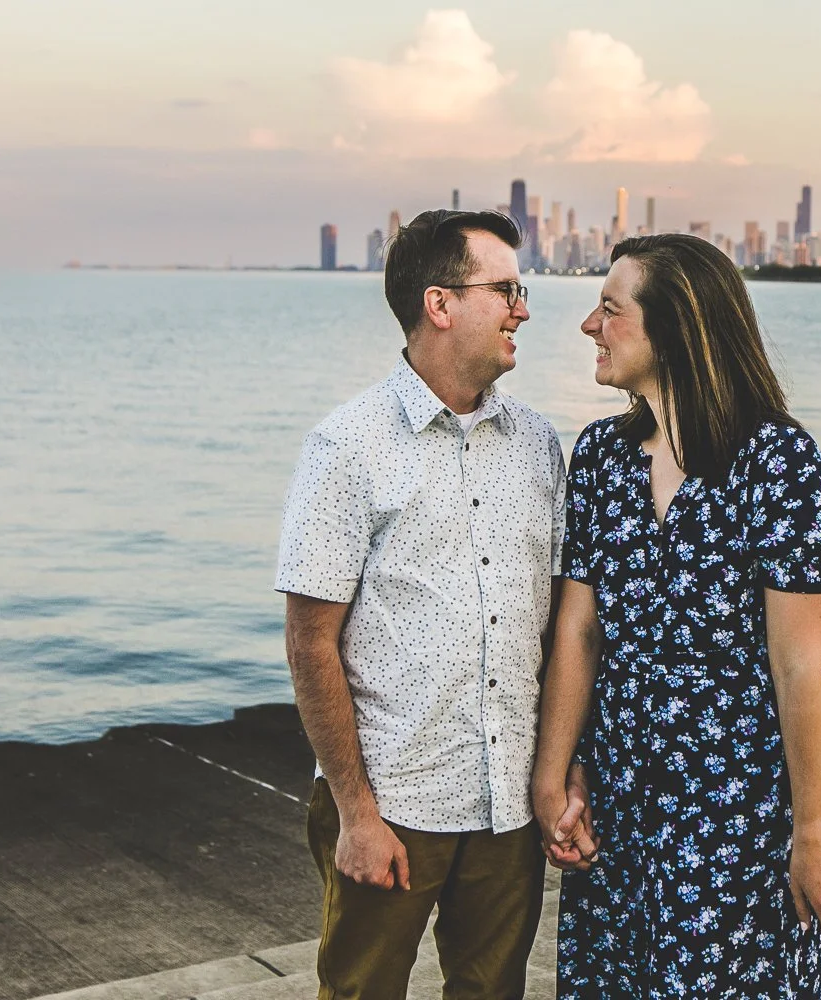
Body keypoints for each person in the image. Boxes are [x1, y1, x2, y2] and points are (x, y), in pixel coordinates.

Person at [532, 233, 821, 998]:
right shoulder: (603, 458)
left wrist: (811, 836)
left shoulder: (777, 462)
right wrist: (553, 782)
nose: (589, 326)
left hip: (733, 816)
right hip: (618, 806)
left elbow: (799, 665)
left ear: (675, 329)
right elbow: (578, 630)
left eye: (610, 310)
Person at [276, 209, 572, 999]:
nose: (524, 309)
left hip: (507, 805)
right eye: (506, 289)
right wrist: (356, 814)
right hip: (394, 806)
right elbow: (309, 644)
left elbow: (560, 629)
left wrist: (559, 775)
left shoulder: (541, 445)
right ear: (440, 305)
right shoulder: (348, 446)